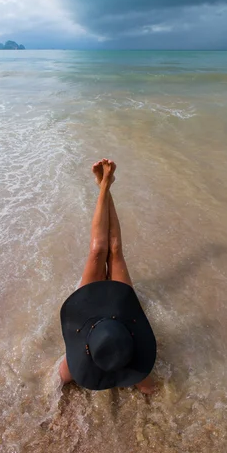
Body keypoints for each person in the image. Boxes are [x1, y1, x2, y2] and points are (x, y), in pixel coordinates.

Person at [59, 159, 156, 394]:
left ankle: (103, 184)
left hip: (90, 311)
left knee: (97, 250)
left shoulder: (70, 369)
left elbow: (59, 382)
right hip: (122, 312)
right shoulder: (141, 374)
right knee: (113, 251)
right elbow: (151, 389)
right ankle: (105, 184)